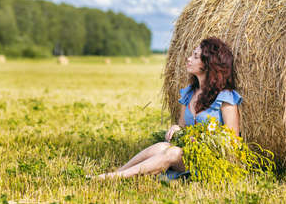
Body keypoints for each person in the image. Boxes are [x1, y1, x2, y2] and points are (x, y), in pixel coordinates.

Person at [97, 37, 242, 179]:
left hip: (211, 161)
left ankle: (114, 178)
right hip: (188, 155)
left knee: (172, 153)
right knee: (161, 146)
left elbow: (233, 142)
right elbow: (183, 126)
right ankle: (117, 172)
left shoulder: (225, 98)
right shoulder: (189, 94)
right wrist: (177, 129)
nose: (189, 59)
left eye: (195, 57)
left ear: (209, 64)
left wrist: (202, 142)